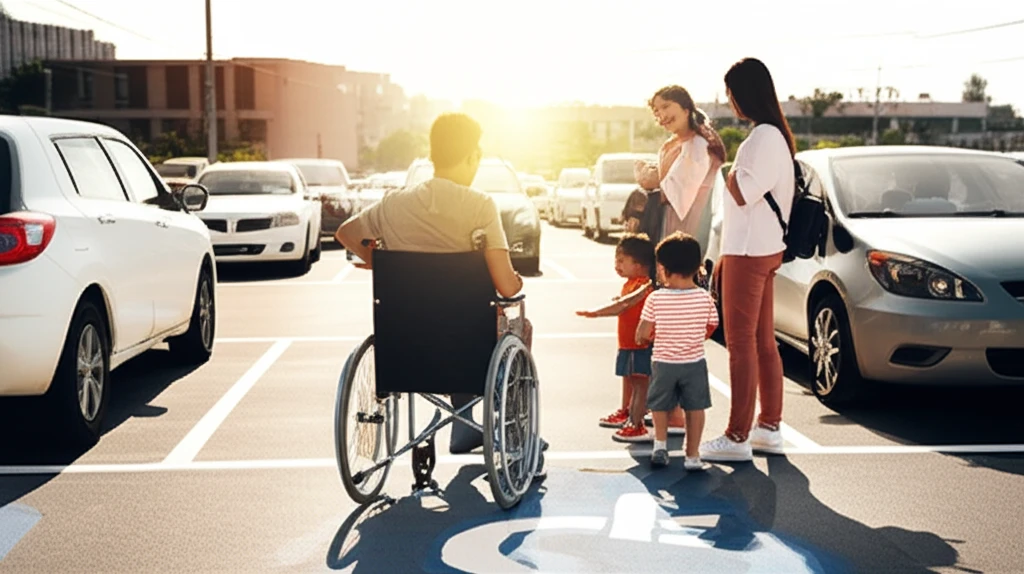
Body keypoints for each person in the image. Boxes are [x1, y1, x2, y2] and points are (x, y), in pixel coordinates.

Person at [334, 112, 543, 467]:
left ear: (433, 154)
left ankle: (463, 428)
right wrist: (518, 281)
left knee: (452, 326)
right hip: (466, 346)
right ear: (471, 156)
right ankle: (512, 432)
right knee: (517, 328)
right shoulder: (479, 205)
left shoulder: (393, 203)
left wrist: (377, 259)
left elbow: (345, 233)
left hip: (403, 348)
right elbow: (506, 285)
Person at [700, 58, 796, 462]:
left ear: (743, 94)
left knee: (741, 345)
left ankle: (738, 436)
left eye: (730, 93)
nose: (729, 101)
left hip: (748, 251)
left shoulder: (763, 137)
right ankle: (768, 428)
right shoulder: (775, 135)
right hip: (762, 248)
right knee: (761, 343)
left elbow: (744, 193)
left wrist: (722, 164)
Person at [635, 232, 718, 470]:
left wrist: (646, 337)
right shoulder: (704, 298)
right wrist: (694, 337)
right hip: (694, 362)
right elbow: (711, 326)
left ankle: (660, 445)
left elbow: (643, 332)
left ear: (662, 268)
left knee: (660, 405)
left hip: (663, 362)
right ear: (698, 267)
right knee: (695, 407)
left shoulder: (656, 298)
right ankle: (692, 455)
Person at [576, 234, 656, 442]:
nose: (616, 265)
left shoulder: (644, 285)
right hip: (628, 344)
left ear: (638, 265)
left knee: (640, 382)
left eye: (621, 261)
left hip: (640, 345)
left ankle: (636, 423)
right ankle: (627, 411)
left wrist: (596, 312)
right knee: (629, 378)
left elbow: (623, 305)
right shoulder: (632, 283)